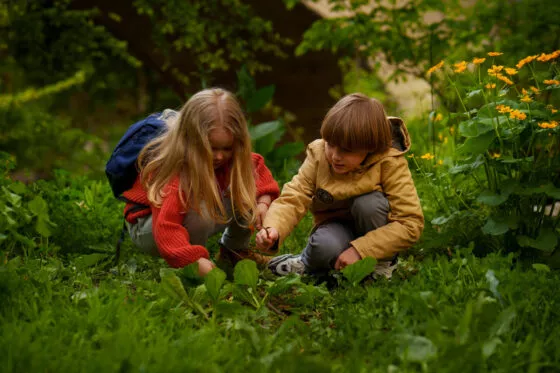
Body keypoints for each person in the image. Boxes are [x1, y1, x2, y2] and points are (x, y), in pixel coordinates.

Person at [255, 93, 424, 279]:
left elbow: (410, 223)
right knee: (324, 247)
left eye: (346, 150)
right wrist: (274, 229)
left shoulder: (390, 162)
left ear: (371, 147)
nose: (335, 155)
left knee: (368, 204)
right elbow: (294, 196)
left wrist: (361, 251)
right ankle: (305, 262)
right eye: (331, 144)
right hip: (336, 226)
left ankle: (382, 265)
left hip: (377, 228)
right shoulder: (319, 155)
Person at [122, 88, 280, 277]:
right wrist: (195, 262)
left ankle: (234, 251)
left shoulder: (234, 157)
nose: (220, 156)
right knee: (201, 212)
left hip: (186, 214)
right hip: (151, 227)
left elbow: (259, 171)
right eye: (211, 148)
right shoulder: (177, 171)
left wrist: (263, 202)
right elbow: (167, 228)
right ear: (191, 140)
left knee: (244, 186)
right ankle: (191, 268)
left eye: (227, 148)